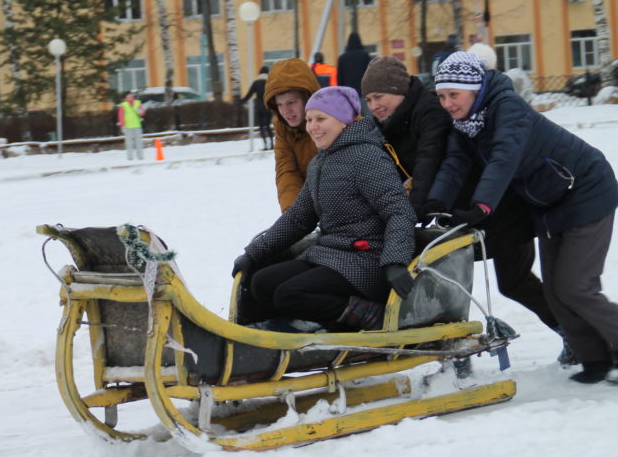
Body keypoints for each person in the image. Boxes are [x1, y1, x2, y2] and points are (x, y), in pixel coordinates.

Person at [425, 51, 618, 384]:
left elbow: (504, 157)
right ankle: (596, 359)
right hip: (549, 202)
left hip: (586, 189)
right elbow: (454, 164)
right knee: (556, 292)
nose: (447, 104)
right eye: (442, 96)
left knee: (576, 286)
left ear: (475, 88)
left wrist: (482, 206)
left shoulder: (507, 109)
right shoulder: (465, 124)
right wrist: (435, 202)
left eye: (453, 94)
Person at [362, 55, 568, 361]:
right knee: (446, 287)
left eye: (379, 96)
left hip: (496, 207)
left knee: (515, 282)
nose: (374, 105)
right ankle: (456, 358)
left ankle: (574, 334)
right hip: (451, 213)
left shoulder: (430, 111)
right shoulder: (388, 125)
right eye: (368, 99)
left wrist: (411, 212)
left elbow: (430, 161)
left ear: (399, 90)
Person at [232, 86, 416, 330]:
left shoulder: (368, 157)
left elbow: (399, 211)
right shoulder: (320, 162)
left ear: (344, 121)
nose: (313, 127)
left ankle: (370, 315)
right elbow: (298, 218)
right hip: (330, 254)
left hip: (367, 260)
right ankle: (298, 328)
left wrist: (395, 261)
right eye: (309, 120)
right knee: (262, 283)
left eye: (321, 119)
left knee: (290, 294)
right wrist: (254, 253)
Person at [263, 58, 322, 212]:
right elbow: (287, 172)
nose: (286, 111)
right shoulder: (283, 129)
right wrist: (293, 215)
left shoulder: (336, 117)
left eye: (291, 102)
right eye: (280, 104)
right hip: (313, 207)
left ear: (307, 98)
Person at [241, 65, 273, 150]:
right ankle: (272, 145)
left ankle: (265, 145)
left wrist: (240, 101)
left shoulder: (256, 82)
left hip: (259, 107)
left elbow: (249, 94)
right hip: (268, 106)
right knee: (268, 126)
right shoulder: (270, 82)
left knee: (261, 127)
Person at [336, 32, 371, 98]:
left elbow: (339, 78)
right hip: (363, 92)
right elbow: (370, 74)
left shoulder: (342, 58)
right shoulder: (365, 55)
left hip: (348, 93)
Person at [117, 90, 146, 160]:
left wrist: (139, 111)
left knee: (139, 142)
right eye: (128, 96)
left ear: (133, 96)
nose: (130, 97)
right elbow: (121, 116)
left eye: (131, 96)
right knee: (129, 143)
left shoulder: (137, 103)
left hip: (137, 125)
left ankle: (140, 156)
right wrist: (123, 126)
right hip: (128, 126)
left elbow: (142, 113)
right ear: (126, 97)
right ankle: (130, 157)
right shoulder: (123, 105)